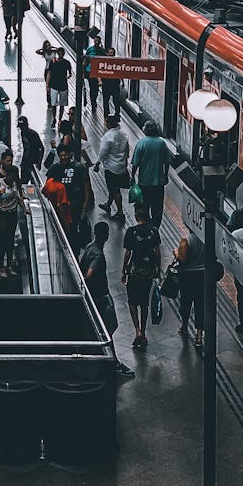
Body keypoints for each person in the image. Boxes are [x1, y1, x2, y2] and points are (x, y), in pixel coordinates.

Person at [80, 222, 134, 377]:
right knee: (109, 327)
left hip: (93, 296)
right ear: (106, 235)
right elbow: (89, 274)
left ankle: (110, 359)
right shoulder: (98, 255)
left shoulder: (89, 247)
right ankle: (113, 362)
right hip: (100, 297)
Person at [122, 204, 162, 350]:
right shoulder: (154, 231)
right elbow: (157, 253)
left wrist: (123, 270)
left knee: (132, 300)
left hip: (134, 271)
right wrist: (158, 268)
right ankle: (143, 332)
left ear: (136, 216)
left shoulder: (131, 232)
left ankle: (137, 330)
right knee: (144, 302)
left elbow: (128, 254)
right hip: (148, 272)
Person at [44, 146, 91, 249]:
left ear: (70, 155)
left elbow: (86, 184)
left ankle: (74, 246)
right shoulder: (55, 168)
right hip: (62, 205)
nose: (63, 157)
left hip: (76, 204)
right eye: (61, 155)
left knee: (74, 225)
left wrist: (86, 201)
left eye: (65, 155)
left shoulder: (79, 167)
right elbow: (48, 184)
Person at [130, 121, 171, 227]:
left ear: (146, 130)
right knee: (157, 209)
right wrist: (165, 175)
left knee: (144, 207)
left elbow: (135, 163)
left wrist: (132, 176)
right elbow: (167, 162)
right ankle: (155, 230)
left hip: (144, 183)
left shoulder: (141, 143)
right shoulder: (162, 143)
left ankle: (146, 228)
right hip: (158, 184)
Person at [0, 153, 23, 276]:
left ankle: (9, 265)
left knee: (10, 241)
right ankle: (1, 266)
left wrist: (24, 208)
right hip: (2, 214)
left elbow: (18, 196)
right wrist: (0, 193)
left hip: (12, 214)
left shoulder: (14, 183)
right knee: (1, 241)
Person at [175, 227, 205, 348]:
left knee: (185, 302)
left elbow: (181, 259)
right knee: (200, 305)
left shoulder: (186, 240)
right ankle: (199, 336)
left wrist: (175, 252)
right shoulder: (207, 239)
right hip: (202, 276)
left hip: (187, 276)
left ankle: (184, 325)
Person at [95, 116, 129, 219]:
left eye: (105, 122)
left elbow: (103, 152)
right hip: (121, 166)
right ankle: (108, 205)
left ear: (109, 124)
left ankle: (120, 212)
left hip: (111, 167)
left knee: (114, 189)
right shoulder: (123, 134)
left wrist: (98, 163)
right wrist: (125, 161)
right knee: (115, 188)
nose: (104, 123)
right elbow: (127, 150)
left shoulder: (108, 137)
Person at [47, 49, 72, 128]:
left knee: (61, 104)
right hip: (55, 85)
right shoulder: (53, 62)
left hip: (62, 85)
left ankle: (59, 119)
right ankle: (55, 118)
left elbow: (70, 73)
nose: (60, 54)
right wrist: (47, 85)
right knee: (54, 103)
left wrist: (68, 75)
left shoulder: (66, 63)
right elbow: (49, 73)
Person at [18, 116, 44, 183]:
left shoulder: (33, 134)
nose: (22, 129)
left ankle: (31, 193)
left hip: (33, 162)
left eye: (22, 127)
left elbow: (42, 148)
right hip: (25, 162)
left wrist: (39, 163)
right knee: (24, 182)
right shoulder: (22, 133)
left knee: (34, 183)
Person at [83, 35, 105, 114]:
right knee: (91, 88)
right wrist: (83, 70)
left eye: (97, 42)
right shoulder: (90, 49)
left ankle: (94, 101)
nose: (96, 43)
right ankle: (93, 104)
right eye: (95, 42)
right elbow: (85, 60)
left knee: (95, 89)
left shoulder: (102, 51)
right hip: (89, 71)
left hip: (97, 72)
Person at [100, 47, 121, 119]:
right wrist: (100, 81)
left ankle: (117, 114)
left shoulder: (117, 62)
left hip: (115, 85)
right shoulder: (103, 62)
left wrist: (122, 81)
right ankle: (106, 115)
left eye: (112, 53)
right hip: (106, 84)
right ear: (107, 53)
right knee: (106, 101)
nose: (111, 55)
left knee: (116, 101)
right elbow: (99, 72)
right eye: (110, 53)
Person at [36, 39, 55, 105]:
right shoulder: (44, 52)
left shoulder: (54, 51)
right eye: (46, 46)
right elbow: (37, 51)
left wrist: (52, 47)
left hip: (54, 70)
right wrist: (43, 49)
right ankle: (49, 101)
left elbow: (59, 49)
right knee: (48, 86)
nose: (48, 47)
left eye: (48, 45)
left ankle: (53, 99)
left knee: (53, 86)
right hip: (47, 70)